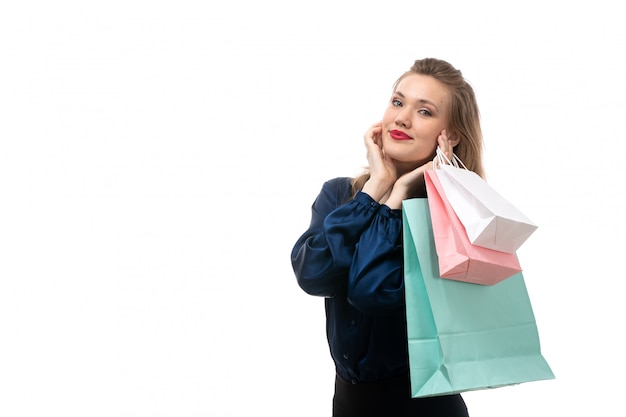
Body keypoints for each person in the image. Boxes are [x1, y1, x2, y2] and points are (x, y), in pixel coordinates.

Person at [290, 58, 485, 416]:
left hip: (422, 407)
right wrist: (377, 187)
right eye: (398, 102)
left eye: (424, 111)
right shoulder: (339, 195)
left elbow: (371, 292)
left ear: (451, 136)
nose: (402, 118)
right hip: (347, 403)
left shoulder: (450, 219)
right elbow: (313, 275)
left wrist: (396, 199)